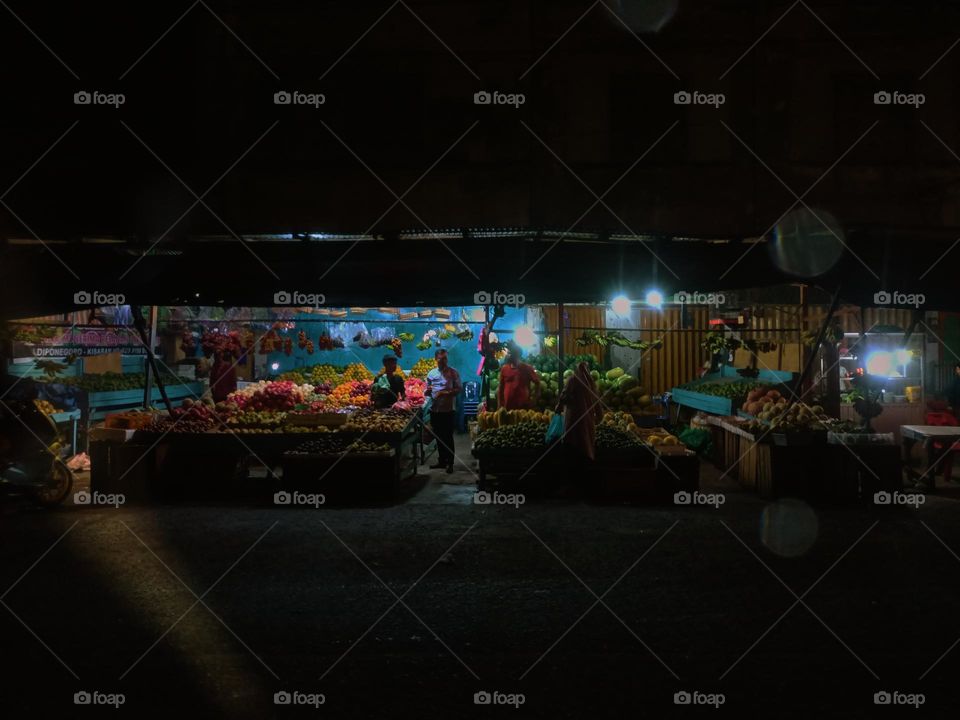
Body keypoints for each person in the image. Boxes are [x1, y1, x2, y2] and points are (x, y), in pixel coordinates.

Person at [555, 362, 603, 488]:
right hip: (587, 423)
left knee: (572, 450)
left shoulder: (572, 380)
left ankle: (572, 484)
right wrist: (599, 416)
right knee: (585, 448)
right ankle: (584, 483)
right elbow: (598, 403)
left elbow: (563, 397)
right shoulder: (591, 384)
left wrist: (558, 407)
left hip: (572, 421)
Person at [425, 348, 462, 473]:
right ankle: (441, 461)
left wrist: (444, 393)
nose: (444, 361)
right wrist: (427, 392)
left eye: (445, 358)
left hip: (448, 410)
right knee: (438, 436)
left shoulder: (453, 373)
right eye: (441, 359)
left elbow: (458, 389)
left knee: (448, 437)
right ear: (436, 359)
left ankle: (450, 463)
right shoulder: (431, 374)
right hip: (435, 410)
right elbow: (427, 391)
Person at [497, 342, 540, 410]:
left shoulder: (527, 368)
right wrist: (499, 404)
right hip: (507, 407)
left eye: (510, 353)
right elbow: (501, 388)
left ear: (517, 355)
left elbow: (537, 383)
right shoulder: (504, 369)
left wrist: (534, 399)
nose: (508, 355)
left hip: (523, 407)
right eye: (508, 353)